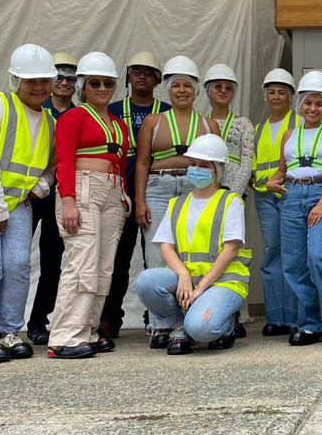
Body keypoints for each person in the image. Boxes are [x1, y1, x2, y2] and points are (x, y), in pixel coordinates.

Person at [0, 44, 57, 364]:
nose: (39, 87)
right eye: (31, 81)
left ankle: (9, 331)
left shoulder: (49, 121)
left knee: (18, 267)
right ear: (16, 80)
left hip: (19, 204)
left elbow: (51, 167)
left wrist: (38, 189)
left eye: (44, 81)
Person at [135, 134, 251, 354]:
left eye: (204, 166)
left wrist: (200, 288)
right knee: (146, 282)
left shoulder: (230, 201)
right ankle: (179, 326)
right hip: (188, 278)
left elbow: (231, 250)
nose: (196, 169)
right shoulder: (177, 203)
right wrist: (183, 276)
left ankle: (227, 325)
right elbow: (166, 247)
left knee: (201, 329)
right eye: (193, 164)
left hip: (222, 282)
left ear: (218, 170)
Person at [48, 52, 130, 359]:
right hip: (83, 189)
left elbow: (122, 163)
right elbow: (64, 160)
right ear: (83, 86)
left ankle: (88, 330)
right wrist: (68, 200)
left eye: (108, 83)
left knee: (104, 266)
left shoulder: (119, 124)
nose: (102, 88)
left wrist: (122, 195)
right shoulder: (73, 117)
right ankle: (64, 336)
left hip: (112, 192)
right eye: (95, 83)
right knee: (81, 263)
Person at [267, 71, 322, 346]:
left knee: (318, 257)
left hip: (321, 193)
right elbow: (282, 170)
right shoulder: (289, 134)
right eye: (308, 103)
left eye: (319, 104)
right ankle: (309, 324)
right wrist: (272, 182)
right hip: (291, 195)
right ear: (300, 105)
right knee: (293, 263)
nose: (313, 108)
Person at [99, 51, 168, 338]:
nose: (142, 76)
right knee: (116, 259)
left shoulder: (167, 111)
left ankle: (157, 315)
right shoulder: (112, 110)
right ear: (127, 76)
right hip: (120, 194)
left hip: (159, 193)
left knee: (159, 258)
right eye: (136, 71)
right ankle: (109, 317)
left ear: (157, 80)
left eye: (148, 72)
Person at [135, 56, 220, 282]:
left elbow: (217, 167)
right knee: (156, 251)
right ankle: (158, 304)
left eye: (187, 86)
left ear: (195, 91)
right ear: (168, 90)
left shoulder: (209, 125)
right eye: (176, 85)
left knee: (191, 248)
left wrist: (214, 200)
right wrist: (140, 201)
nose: (182, 91)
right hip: (157, 189)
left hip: (195, 188)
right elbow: (142, 163)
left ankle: (189, 301)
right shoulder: (153, 121)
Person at [26, 52, 77, 345]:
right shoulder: (34, 107)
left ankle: (38, 322)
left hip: (61, 196)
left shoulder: (80, 114)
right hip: (29, 195)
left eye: (71, 77)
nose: (64, 82)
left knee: (52, 262)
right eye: (59, 76)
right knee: (15, 260)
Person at [253, 68, 301, 336]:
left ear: (290, 96)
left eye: (282, 92)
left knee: (293, 254)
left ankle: (294, 317)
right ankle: (275, 316)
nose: (276, 97)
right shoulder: (258, 129)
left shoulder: (299, 124)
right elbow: (252, 165)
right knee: (272, 254)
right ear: (265, 96)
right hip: (265, 196)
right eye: (271, 92)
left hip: (290, 192)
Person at [204, 63, 254, 197]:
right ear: (209, 90)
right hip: (206, 188)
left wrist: (234, 194)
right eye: (218, 86)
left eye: (228, 88)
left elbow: (246, 164)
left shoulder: (244, 124)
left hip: (234, 189)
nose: (223, 91)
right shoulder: (201, 123)